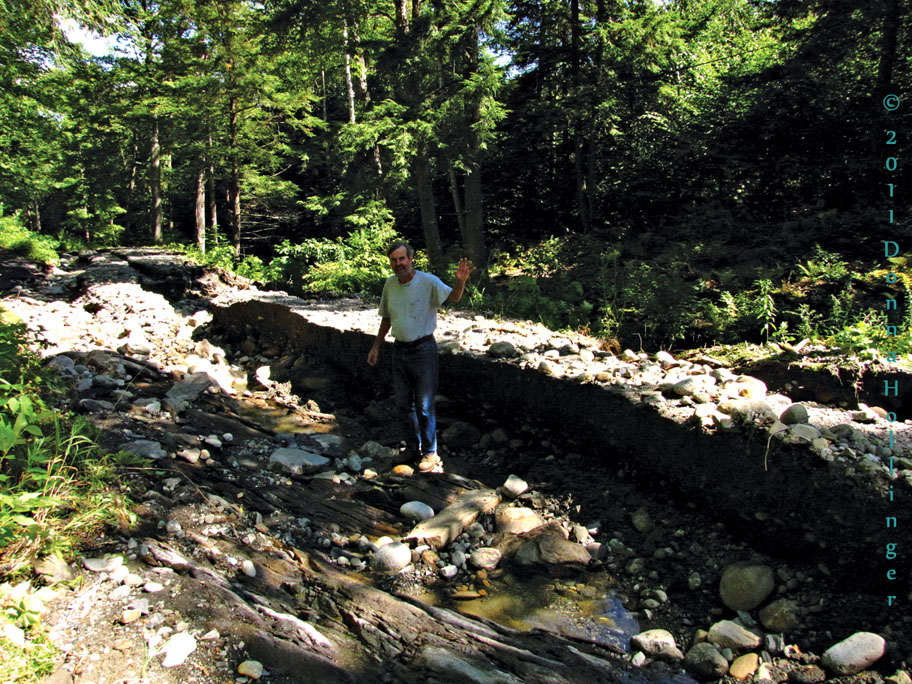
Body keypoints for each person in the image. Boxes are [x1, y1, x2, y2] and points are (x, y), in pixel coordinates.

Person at [367, 241, 474, 472]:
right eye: (394, 260)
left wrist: (461, 280)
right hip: (399, 350)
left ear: (411, 259)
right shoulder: (390, 285)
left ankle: (430, 453)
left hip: (423, 350)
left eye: (402, 259)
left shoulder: (428, 282)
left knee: (424, 406)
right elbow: (386, 317)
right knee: (402, 404)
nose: (398, 264)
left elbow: (453, 298)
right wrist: (376, 346)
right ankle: (411, 448)